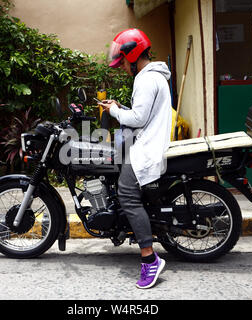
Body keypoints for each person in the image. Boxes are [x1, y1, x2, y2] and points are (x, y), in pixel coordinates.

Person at [98, 28, 172, 288]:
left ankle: (150, 259)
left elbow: (138, 120)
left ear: (133, 56)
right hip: (147, 140)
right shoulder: (153, 76)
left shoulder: (146, 79)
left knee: (126, 194)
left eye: (124, 63)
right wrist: (121, 109)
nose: (123, 68)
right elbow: (142, 114)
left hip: (147, 147)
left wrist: (116, 111)